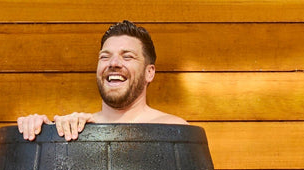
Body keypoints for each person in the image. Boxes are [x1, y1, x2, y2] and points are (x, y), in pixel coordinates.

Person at [17, 20, 187, 141]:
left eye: (127, 57)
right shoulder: (76, 129)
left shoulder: (176, 130)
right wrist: (40, 132)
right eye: (105, 57)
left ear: (149, 73)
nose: (113, 63)